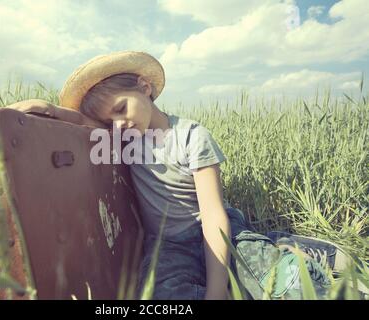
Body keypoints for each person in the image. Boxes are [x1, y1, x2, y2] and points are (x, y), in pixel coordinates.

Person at [56, 51, 350, 300]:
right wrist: (43, 109)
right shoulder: (123, 139)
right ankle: (269, 244)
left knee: (279, 282)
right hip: (168, 244)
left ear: (144, 87)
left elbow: (213, 216)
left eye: (121, 108)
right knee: (165, 295)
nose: (118, 125)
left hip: (219, 231)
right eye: (110, 120)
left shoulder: (192, 137)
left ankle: (289, 248)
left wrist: (216, 291)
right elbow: (84, 123)